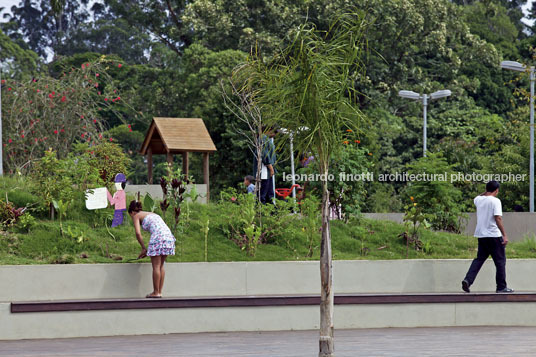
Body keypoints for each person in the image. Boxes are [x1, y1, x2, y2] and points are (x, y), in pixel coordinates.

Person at [462, 181, 513, 293]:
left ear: (486, 189)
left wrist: (487, 191)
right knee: (500, 261)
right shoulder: (495, 201)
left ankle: (467, 280)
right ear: (497, 190)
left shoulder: (478, 200)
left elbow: (480, 195)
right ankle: (501, 287)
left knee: (479, 259)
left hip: (481, 235)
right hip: (494, 235)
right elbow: (498, 218)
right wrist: (504, 235)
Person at [128, 200, 176, 298]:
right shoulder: (152, 214)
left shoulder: (136, 216)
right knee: (161, 266)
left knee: (156, 266)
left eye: (131, 215)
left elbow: (138, 233)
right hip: (168, 237)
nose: (132, 218)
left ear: (132, 212)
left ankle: (156, 292)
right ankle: (159, 292)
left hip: (158, 237)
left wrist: (143, 248)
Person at [253, 126, 277, 204]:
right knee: (263, 194)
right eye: (274, 132)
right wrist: (271, 168)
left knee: (269, 194)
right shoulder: (263, 139)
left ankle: (270, 212)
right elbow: (264, 154)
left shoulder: (267, 139)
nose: (275, 134)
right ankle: (261, 212)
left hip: (268, 171)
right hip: (264, 171)